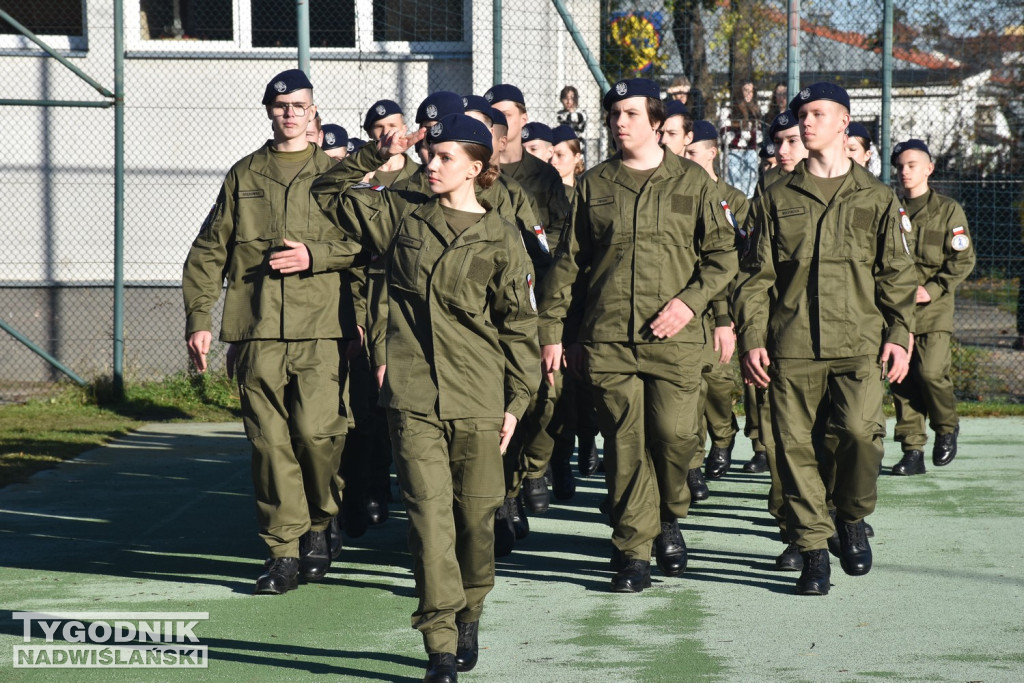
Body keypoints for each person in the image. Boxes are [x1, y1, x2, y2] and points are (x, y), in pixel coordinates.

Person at [313, 113, 539, 683]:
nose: (431, 165)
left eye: (444, 158)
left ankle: (471, 608)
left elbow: (518, 329)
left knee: (476, 520)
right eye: (429, 155)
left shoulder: (503, 237)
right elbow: (327, 190)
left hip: (480, 397)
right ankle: (439, 639)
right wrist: (378, 150)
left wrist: (516, 405)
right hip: (414, 395)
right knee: (429, 519)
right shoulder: (403, 217)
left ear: (477, 167)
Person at [537, 78, 738, 593]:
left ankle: (669, 513)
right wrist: (553, 330)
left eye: (629, 113)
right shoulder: (595, 185)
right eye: (613, 114)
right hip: (609, 340)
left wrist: (689, 305)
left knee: (674, 438)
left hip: (673, 342)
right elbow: (570, 263)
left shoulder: (693, 183)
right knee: (626, 446)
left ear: (655, 121)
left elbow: (722, 258)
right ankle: (633, 550)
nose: (619, 121)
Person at [734, 82, 917, 595]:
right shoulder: (774, 198)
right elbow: (756, 278)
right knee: (793, 450)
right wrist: (753, 337)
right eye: (801, 115)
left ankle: (851, 515)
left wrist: (900, 334)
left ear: (844, 122)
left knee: (861, 435)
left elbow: (897, 275)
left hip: (859, 341)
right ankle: (814, 550)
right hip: (790, 345)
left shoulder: (878, 197)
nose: (805, 122)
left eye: (816, 114)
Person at [182, 69, 358, 595]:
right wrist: (200, 319)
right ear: (268, 110)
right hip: (256, 331)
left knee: (316, 435)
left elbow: (368, 245)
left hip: (321, 330)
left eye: (298, 105)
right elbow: (210, 248)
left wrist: (315, 254)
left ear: (313, 112)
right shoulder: (243, 175)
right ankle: (283, 550)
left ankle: (322, 520)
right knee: (269, 444)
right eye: (280, 105)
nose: (289, 113)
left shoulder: (335, 174)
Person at [485, 83, 572, 519]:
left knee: (543, 396)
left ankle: (531, 468)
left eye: (505, 114)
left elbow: (558, 234)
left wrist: (529, 259)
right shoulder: (477, 175)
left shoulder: (542, 177)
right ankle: (504, 493)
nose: (499, 123)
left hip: (537, 297)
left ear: (520, 118)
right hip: (490, 305)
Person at [889, 139, 975, 475]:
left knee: (930, 372)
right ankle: (912, 450)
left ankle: (946, 426)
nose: (905, 172)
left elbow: (963, 258)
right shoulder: (891, 211)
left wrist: (934, 288)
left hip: (934, 307)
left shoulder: (948, 209)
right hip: (898, 308)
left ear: (929, 168)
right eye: (900, 167)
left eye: (912, 165)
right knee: (902, 379)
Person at [682, 121, 746, 494]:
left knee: (719, 384)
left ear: (711, 152)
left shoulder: (734, 200)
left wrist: (729, 315)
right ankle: (692, 465)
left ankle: (723, 436)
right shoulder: (681, 191)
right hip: (687, 306)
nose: (687, 159)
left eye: (693, 152)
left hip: (721, 303)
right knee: (689, 386)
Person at [719, 80, 762, 197]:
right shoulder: (728, 109)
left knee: (751, 188)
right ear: (739, 92)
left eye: (751, 91)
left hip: (751, 152)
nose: (749, 94)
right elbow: (725, 135)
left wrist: (744, 133)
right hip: (733, 151)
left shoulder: (755, 110)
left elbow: (758, 136)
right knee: (734, 188)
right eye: (745, 90)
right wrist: (742, 134)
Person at [556, 85, 587, 156]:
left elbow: (576, 118)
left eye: (572, 98)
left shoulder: (581, 113)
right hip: (561, 149)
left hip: (577, 151)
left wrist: (570, 113)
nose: (569, 101)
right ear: (561, 99)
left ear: (576, 99)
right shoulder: (559, 114)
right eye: (565, 98)